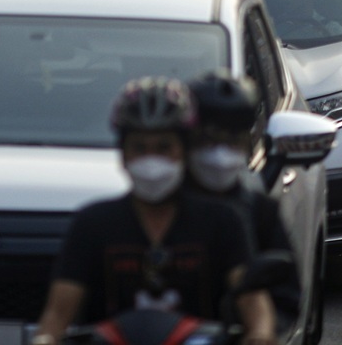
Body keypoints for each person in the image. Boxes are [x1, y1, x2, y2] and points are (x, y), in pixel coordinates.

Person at [31, 78, 273, 345]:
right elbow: (58, 312)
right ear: (123, 154)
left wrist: (260, 335)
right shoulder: (92, 223)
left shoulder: (223, 221)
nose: (152, 159)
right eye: (140, 148)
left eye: (163, 147)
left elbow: (252, 300)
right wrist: (45, 339)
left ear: (183, 151)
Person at [184, 72, 301, 325]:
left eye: (232, 141)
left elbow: (286, 299)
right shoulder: (162, 208)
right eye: (209, 140)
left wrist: (258, 330)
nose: (219, 153)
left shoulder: (260, 212)